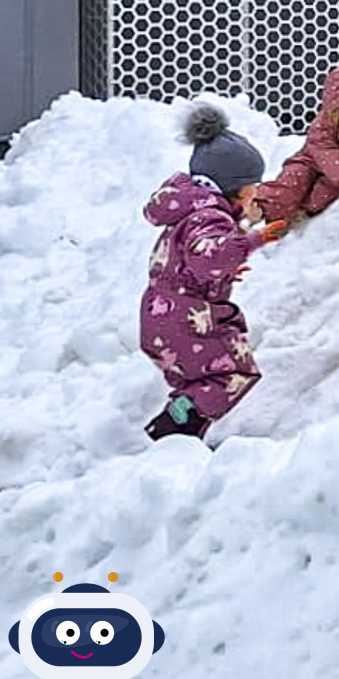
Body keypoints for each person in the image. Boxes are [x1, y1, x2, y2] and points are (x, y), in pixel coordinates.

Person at [140, 104, 287, 441]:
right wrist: (253, 240)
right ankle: (170, 434)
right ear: (233, 186)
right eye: (253, 185)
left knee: (198, 383)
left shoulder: (192, 211)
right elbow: (207, 255)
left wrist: (220, 275)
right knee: (233, 373)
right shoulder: (211, 216)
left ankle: (179, 439)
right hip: (187, 320)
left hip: (163, 315)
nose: (257, 192)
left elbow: (189, 261)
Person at [252, 66, 339, 228]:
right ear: (337, 113)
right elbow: (329, 157)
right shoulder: (321, 129)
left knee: (325, 195)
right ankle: (259, 207)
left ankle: (304, 212)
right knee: (291, 185)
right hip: (313, 163)